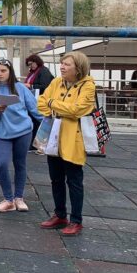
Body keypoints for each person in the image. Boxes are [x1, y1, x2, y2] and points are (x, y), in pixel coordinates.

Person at [37, 51, 95, 237]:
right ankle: (60, 215)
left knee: (74, 181)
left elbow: (78, 110)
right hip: (54, 137)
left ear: (78, 68)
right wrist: (58, 107)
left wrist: (53, 104)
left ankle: (76, 220)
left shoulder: (88, 86)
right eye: (62, 63)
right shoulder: (56, 82)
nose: (62, 67)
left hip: (73, 140)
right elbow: (41, 103)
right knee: (56, 179)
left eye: (67, 64)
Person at [0, 59, 43, 212]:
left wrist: (49, 126)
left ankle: (19, 197)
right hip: (2, 133)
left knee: (20, 163)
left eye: (3, 70)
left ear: (10, 72)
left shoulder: (21, 88)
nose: (0, 74)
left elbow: (34, 109)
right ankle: (8, 199)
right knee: (1, 164)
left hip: (23, 131)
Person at [25, 54, 54, 150]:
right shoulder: (34, 72)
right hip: (34, 100)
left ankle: (36, 144)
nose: (30, 66)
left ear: (36, 62)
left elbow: (45, 85)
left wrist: (31, 86)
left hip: (40, 100)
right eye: (29, 65)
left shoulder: (43, 71)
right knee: (34, 121)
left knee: (37, 122)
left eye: (31, 64)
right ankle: (34, 143)